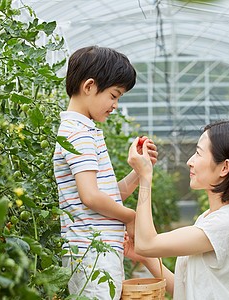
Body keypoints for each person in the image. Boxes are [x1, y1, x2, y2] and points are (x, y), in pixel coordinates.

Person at [53, 46, 158, 299]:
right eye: (114, 95)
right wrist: (130, 218)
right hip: (91, 254)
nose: (115, 105)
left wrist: (139, 171)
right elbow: (90, 196)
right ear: (89, 86)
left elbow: (105, 196)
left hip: (96, 253)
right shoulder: (78, 133)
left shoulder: (83, 131)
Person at [125, 120, 229, 299]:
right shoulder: (210, 219)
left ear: (224, 167)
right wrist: (143, 256)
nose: (190, 162)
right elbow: (185, 290)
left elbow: (147, 244)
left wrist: (145, 176)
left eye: (198, 153)